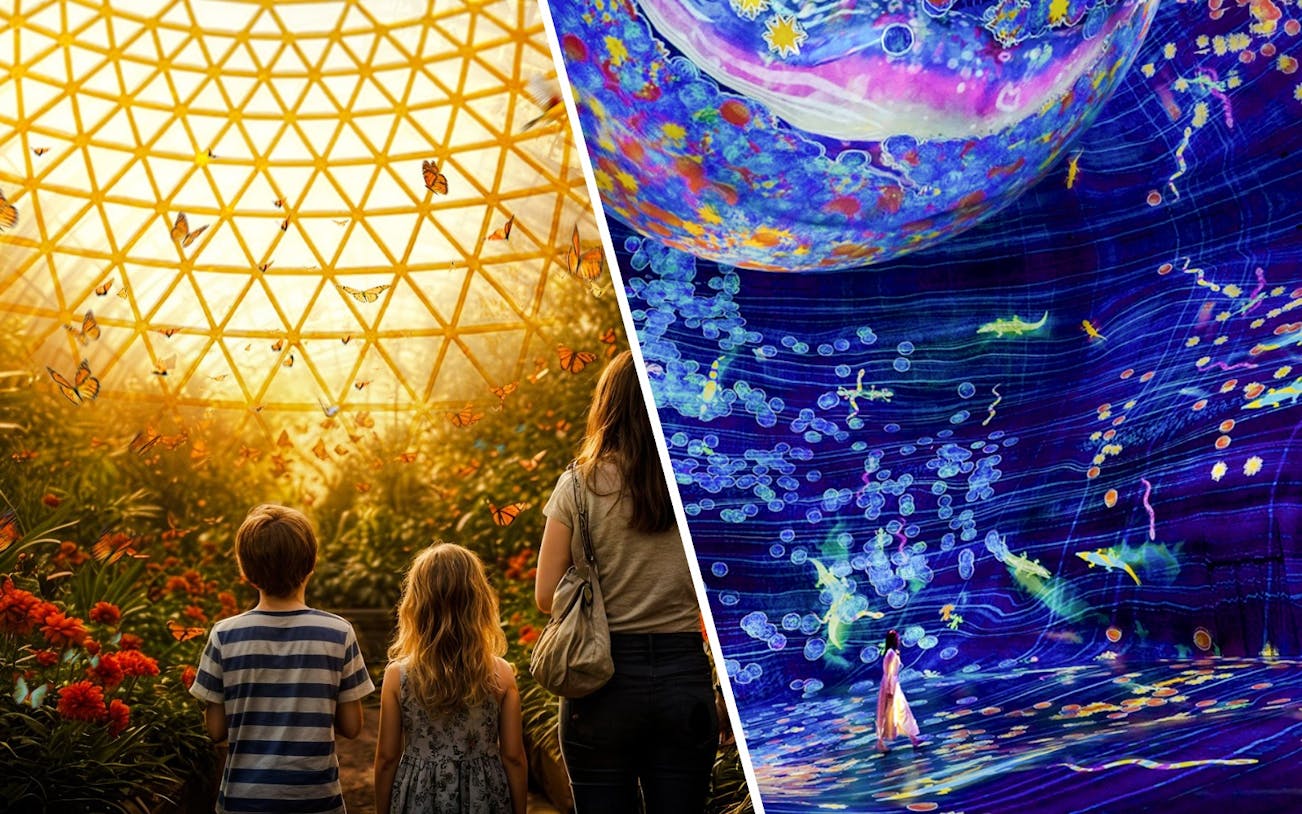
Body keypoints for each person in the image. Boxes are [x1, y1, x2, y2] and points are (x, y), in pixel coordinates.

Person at [535, 350, 718, 813]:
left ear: (608, 405)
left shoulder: (578, 485)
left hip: (601, 682)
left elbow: (544, 595)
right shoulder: (694, 482)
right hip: (684, 678)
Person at [191, 504, 375, 813]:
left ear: (245, 570)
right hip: (316, 801)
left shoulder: (224, 635)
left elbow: (215, 730)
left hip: (243, 801)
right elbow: (353, 726)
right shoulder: (338, 633)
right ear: (311, 562)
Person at [373, 543, 527, 814]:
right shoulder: (501, 674)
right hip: (484, 797)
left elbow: (387, 758)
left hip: (419, 796)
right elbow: (513, 757)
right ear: (479, 602)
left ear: (416, 605)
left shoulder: (398, 676)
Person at [875, 629, 921, 753]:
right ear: (893, 640)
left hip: (894, 684)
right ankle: (880, 742)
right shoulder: (890, 654)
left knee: (902, 711)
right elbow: (889, 673)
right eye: (897, 639)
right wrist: (890, 691)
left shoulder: (893, 653)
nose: (899, 640)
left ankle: (913, 738)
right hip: (891, 685)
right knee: (887, 712)